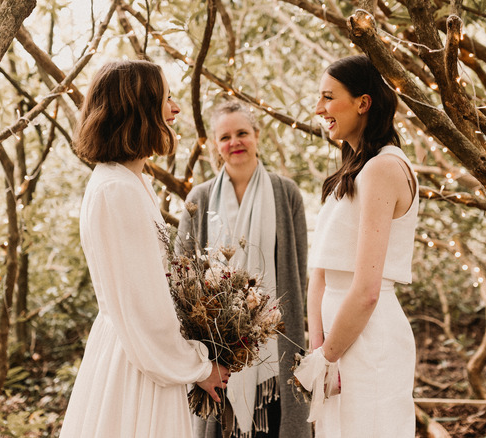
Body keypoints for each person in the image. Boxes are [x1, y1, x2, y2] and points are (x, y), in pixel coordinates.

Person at [60, 60, 230, 438]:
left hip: (137, 352)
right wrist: (200, 367)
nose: (176, 110)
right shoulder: (116, 190)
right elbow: (143, 306)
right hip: (137, 362)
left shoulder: (129, 182)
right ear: (138, 109)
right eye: (167, 99)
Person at [295, 54, 419, 437]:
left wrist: (326, 355)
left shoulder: (384, 168)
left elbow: (366, 291)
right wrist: (318, 350)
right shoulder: (352, 169)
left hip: (367, 339)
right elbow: (321, 272)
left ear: (363, 103)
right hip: (335, 340)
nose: (319, 109)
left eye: (329, 97)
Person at [179, 100, 310, 438]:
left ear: (257, 136)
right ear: (214, 145)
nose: (234, 142)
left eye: (242, 133)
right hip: (218, 344)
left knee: (276, 423)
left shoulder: (286, 193)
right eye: (225, 137)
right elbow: (183, 275)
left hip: (274, 339)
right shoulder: (201, 197)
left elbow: (298, 271)